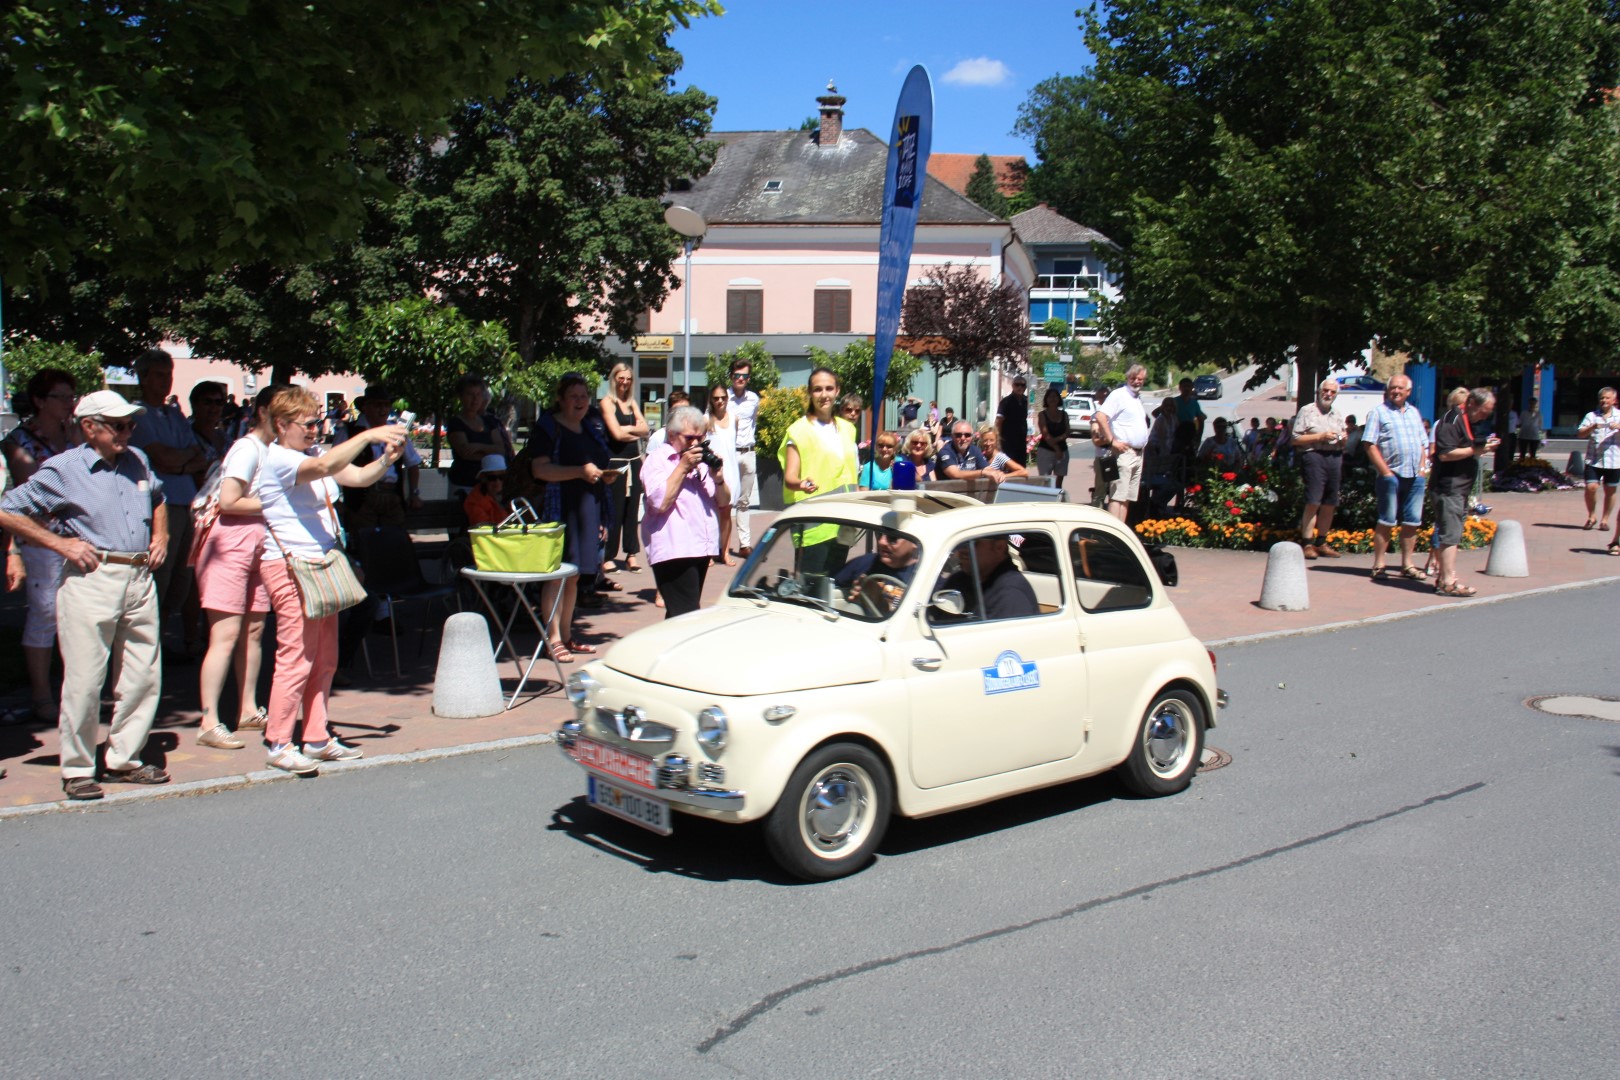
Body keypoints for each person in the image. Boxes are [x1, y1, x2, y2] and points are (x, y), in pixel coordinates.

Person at [0, 391, 172, 800]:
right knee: (84, 678)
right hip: (92, 575)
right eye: (119, 425)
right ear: (89, 427)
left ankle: (124, 759)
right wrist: (61, 545)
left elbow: (159, 496)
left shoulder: (138, 460)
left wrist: (161, 534)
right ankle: (77, 768)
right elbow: (8, 508)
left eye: (131, 424)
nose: (127, 432)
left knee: (143, 675)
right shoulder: (64, 468)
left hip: (138, 575)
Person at [259, 388, 408, 774]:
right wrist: (367, 435)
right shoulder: (276, 458)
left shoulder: (311, 454)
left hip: (320, 563)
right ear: (281, 425)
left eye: (317, 423)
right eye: (307, 424)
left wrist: (386, 459)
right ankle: (278, 741)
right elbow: (326, 469)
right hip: (290, 565)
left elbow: (357, 476)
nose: (314, 431)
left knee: (325, 656)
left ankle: (316, 737)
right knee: (296, 657)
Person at [191, 383, 284, 750]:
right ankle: (209, 720)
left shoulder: (274, 450)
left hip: (260, 545)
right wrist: (274, 502)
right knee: (225, 635)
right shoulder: (247, 448)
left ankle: (247, 708)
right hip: (230, 545)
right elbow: (229, 501)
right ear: (262, 412)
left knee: (255, 630)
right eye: (283, 413)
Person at [2, 368, 80, 721]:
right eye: (61, 397)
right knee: (45, 613)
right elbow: (32, 489)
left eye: (71, 396)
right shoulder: (19, 440)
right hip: (41, 539)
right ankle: (41, 695)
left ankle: (73, 691)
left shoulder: (77, 435)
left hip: (79, 537)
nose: (69, 404)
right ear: (39, 401)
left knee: (77, 616)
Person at [528, 372, 615, 660]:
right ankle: (552, 638)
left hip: (587, 507)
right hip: (558, 508)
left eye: (583, 396)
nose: (579, 402)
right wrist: (579, 471)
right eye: (573, 396)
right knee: (555, 577)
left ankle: (566, 635)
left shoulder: (590, 427)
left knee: (574, 577)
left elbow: (597, 466)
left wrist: (604, 478)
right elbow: (540, 470)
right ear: (560, 399)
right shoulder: (548, 427)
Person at [128, 349, 208, 658]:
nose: (166, 381)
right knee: (159, 578)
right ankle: (148, 648)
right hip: (162, 505)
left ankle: (159, 641)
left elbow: (195, 455)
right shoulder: (138, 415)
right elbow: (160, 458)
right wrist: (179, 461)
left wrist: (180, 464)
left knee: (182, 579)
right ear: (144, 378)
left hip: (188, 502)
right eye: (159, 375)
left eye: (169, 374)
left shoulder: (174, 413)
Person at [640, 406, 730, 618]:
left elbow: (724, 502)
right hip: (674, 548)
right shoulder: (659, 459)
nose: (696, 444)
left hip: (699, 547)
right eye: (690, 438)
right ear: (671, 435)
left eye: (701, 437)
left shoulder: (701, 462)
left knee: (679, 616)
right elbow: (659, 502)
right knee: (687, 615)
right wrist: (682, 467)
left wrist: (718, 478)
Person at [780, 367, 859, 574]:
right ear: (809, 392)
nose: (824, 395)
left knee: (833, 587)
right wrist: (801, 483)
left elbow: (851, 475)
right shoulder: (798, 431)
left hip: (843, 522)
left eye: (829, 388)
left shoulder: (848, 429)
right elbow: (790, 477)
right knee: (810, 591)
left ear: (837, 391)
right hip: (813, 526)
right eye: (817, 389)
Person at [1431, 388, 1499, 596]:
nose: (1484, 417)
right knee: (1450, 535)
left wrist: (1484, 447)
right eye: (1483, 412)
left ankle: (1444, 579)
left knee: (1452, 533)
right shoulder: (1452, 420)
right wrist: (1476, 450)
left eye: (1488, 414)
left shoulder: (1466, 419)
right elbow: (1445, 454)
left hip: (1459, 487)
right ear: (1471, 403)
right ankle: (1448, 581)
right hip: (1449, 486)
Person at [1362, 374, 1430, 580]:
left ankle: (1407, 565)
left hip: (1415, 477)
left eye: (1401, 388)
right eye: (1393, 388)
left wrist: (1422, 469)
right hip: (1391, 476)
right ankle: (1379, 565)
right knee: (1387, 521)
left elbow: (1422, 442)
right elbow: (1369, 444)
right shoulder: (1378, 413)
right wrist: (1385, 472)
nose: (1397, 391)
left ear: (1408, 392)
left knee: (1412, 522)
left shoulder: (1414, 413)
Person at [345, 387, 423, 529]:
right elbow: (336, 464)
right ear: (365, 407)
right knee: (366, 542)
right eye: (377, 405)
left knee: (394, 542)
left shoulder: (397, 431)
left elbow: (412, 464)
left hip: (392, 494)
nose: (383, 410)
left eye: (386, 405)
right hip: (362, 498)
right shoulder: (350, 431)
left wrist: (414, 493)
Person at [599, 361, 648, 574]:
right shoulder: (607, 402)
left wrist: (627, 428)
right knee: (615, 510)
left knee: (632, 510)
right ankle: (608, 556)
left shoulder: (631, 403)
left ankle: (631, 553)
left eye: (628, 379)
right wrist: (632, 430)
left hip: (634, 461)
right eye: (621, 378)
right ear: (614, 378)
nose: (625, 383)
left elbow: (645, 429)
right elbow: (616, 435)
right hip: (616, 464)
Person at [1292, 379, 1347, 559]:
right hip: (1314, 456)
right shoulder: (1307, 411)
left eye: (1332, 392)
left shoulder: (1337, 414)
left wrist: (1343, 438)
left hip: (1334, 457)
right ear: (1319, 391)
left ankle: (1321, 542)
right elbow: (1295, 439)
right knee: (1313, 500)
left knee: (1330, 502)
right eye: (1326, 390)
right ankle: (1307, 542)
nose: (1328, 394)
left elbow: (1344, 436)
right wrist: (1321, 436)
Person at [1093, 364, 1151, 521]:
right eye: (1134, 378)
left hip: (1138, 454)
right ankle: (1113, 536)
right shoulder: (1119, 395)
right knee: (1117, 496)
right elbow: (1100, 416)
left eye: (1140, 379)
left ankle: (1122, 534)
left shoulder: (1136, 398)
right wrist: (1113, 441)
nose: (1137, 381)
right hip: (1124, 452)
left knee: (1127, 498)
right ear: (1128, 378)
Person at [939, 534, 1038, 620]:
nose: (962, 551)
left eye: (973, 543)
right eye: (961, 543)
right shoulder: (959, 580)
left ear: (999, 547)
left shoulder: (1011, 594)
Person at [446, 374, 514, 497]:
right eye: (470, 394)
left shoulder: (489, 421)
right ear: (461, 397)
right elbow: (466, 454)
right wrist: (491, 452)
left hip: (491, 486)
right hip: (464, 484)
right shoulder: (456, 423)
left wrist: (479, 446)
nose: (475, 399)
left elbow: (501, 449)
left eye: (478, 394)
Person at [833, 527, 921, 615]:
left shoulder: (927, 575)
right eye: (879, 534)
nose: (881, 542)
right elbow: (831, 587)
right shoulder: (864, 563)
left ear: (915, 542)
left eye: (893, 537)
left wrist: (878, 601)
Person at [728, 358, 761, 558]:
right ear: (731, 376)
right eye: (737, 375)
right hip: (728, 453)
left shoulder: (753, 399)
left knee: (744, 501)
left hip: (747, 453)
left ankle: (744, 545)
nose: (741, 379)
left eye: (744, 376)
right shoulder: (722, 397)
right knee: (722, 501)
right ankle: (719, 546)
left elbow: (753, 422)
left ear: (748, 378)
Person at [705, 383, 742, 564]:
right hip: (712, 471)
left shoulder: (734, 418)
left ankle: (725, 552)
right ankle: (709, 552)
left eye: (723, 398)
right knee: (710, 513)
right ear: (711, 400)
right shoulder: (706, 420)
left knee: (727, 513)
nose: (720, 401)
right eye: (716, 398)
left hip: (731, 471)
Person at [1577, 386, 1620, 530]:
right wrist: (1592, 427)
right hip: (1593, 459)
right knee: (1591, 487)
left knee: (1610, 491)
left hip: (1614, 461)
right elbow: (1580, 434)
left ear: (1614, 400)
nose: (1604, 400)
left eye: (1607, 398)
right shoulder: (1592, 416)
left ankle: (1605, 520)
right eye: (1602, 398)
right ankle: (1591, 516)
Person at [937, 420, 1005, 485]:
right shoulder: (945, 452)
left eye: (967, 435)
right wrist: (982, 472)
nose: (963, 438)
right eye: (958, 435)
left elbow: (987, 469)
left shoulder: (975, 450)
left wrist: (997, 474)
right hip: (947, 493)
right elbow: (955, 474)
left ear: (972, 437)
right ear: (952, 436)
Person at [1034, 387, 1071, 480]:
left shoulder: (1064, 414)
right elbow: (1045, 435)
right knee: (1045, 481)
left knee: (1059, 483)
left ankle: (1058, 495)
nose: (1053, 399)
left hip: (1063, 451)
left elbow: (1067, 432)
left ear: (1059, 399)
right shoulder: (1042, 415)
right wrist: (1057, 449)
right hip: (1046, 451)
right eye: (1050, 397)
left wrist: (1056, 440)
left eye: (1055, 396)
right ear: (1046, 399)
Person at [463, 454, 510, 527]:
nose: (498, 482)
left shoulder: (512, 494)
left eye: (502, 477)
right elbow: (483, 528)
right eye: (492, 478)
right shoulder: (474, 501)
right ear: (483, 479)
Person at [995, 374, 1031, 467]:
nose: (1019, 387)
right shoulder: (1006, 402)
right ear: (1013, 386)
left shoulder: (1026, 401)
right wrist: (998, 440)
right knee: (1009, 466)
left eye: (1022, 385)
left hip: (1021, 441)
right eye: (1017, 384)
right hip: (1008, 441)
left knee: (1021, 466)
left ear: (1025, 387)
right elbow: (999, 422)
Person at [1172, 377, 1206, 458]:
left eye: (1188, 386)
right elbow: (1156, 413)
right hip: (1175, 436)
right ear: (1180, 388)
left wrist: (1198, 437)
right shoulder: (1174, 401)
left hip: (1189, 436)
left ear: (1192, 388)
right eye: (1184, 386)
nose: (1186, 389)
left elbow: (1201, 419)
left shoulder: (1194, 403)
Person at [1517, 395, 1543, 462]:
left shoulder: (1538, 414)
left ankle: (1532, 469)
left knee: (1533, 455)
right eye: (1531, 403)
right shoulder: (1524, 413)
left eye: (1533, 403)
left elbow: (1540, 425)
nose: (1532, 405)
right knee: (1522, 454)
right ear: (1529, 403)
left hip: (1534, 436)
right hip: (1523, 435)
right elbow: (1520, 423)